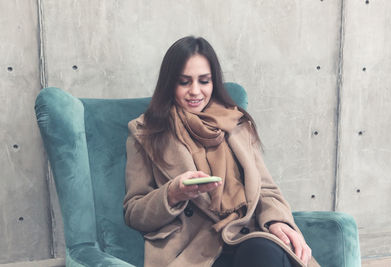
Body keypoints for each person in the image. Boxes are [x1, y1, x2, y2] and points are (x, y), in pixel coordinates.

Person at [123, 36, 318, 267]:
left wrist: (276, 221)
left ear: (214, 82)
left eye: (204, 81)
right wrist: (173, 193)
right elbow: (134, 212)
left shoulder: (236, 124)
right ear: (169, 84)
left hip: (246, 235)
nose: (195, 91)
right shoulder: (147, 132)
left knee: (264, 251)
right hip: (193, 249)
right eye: (184, 82)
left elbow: (265, 190)